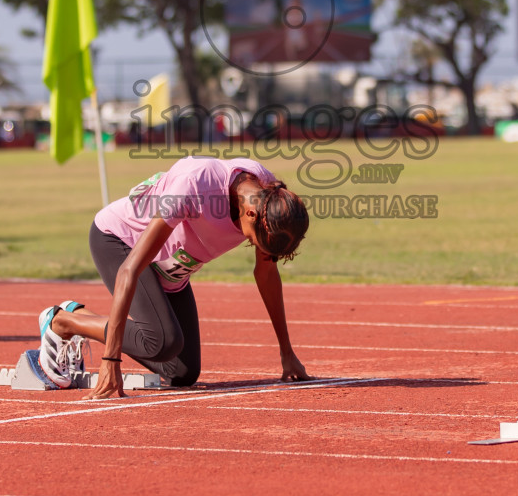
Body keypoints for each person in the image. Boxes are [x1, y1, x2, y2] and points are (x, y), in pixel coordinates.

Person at [36, 156, 312, 398]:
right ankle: (62, 322)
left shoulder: (269, 198)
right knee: (161, 342)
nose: (250, 244)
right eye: (252, 240)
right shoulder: (194, 186)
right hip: (121, 243)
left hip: (170, 271)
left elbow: (265, 274)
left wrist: (286, 352)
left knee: (182, 373)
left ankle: (78, 314)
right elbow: (129, 269)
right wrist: (111, 361)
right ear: (250, 213)